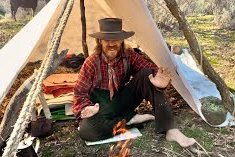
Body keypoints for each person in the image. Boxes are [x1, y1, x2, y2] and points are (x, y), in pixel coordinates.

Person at [72, 18, 196, 148]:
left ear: (122, 40)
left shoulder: (128, 55)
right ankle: (129, 120)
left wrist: (158, 80)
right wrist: (87, 108)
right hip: (101, 106)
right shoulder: (91, 62)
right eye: (107, 40)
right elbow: (79, 92)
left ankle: (170, 129)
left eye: (116, 39)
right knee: (87, 131)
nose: (112, 44)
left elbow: (149, 68)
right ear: (100, 41)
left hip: (122, 99)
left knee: (147, 74)